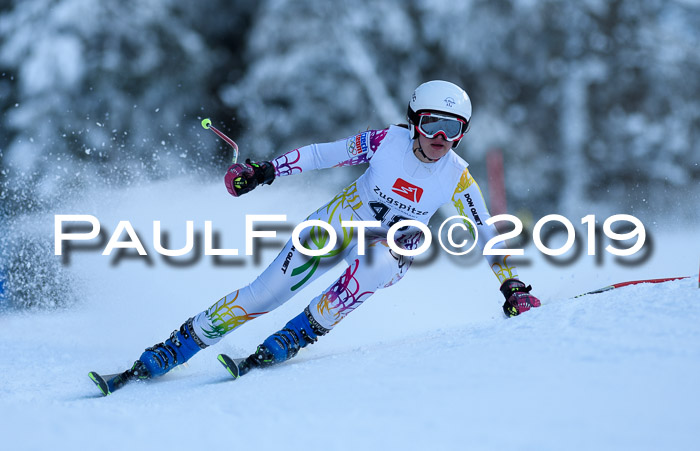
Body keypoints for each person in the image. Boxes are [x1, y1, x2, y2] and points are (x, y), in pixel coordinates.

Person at [107, 80, 540, 384]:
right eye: (431, 125)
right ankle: (174, 348)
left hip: (387, 250)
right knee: (263, 295)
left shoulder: (458, 177)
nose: (440, 138)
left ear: (463, 134)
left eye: (453, 129)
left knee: (378, 260)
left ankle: (301, 331)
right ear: (413, 121)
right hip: (338, 223)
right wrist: (265, 171)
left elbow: (486, 234)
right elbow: (323, 154)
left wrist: (511, 284)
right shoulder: (386, 142)